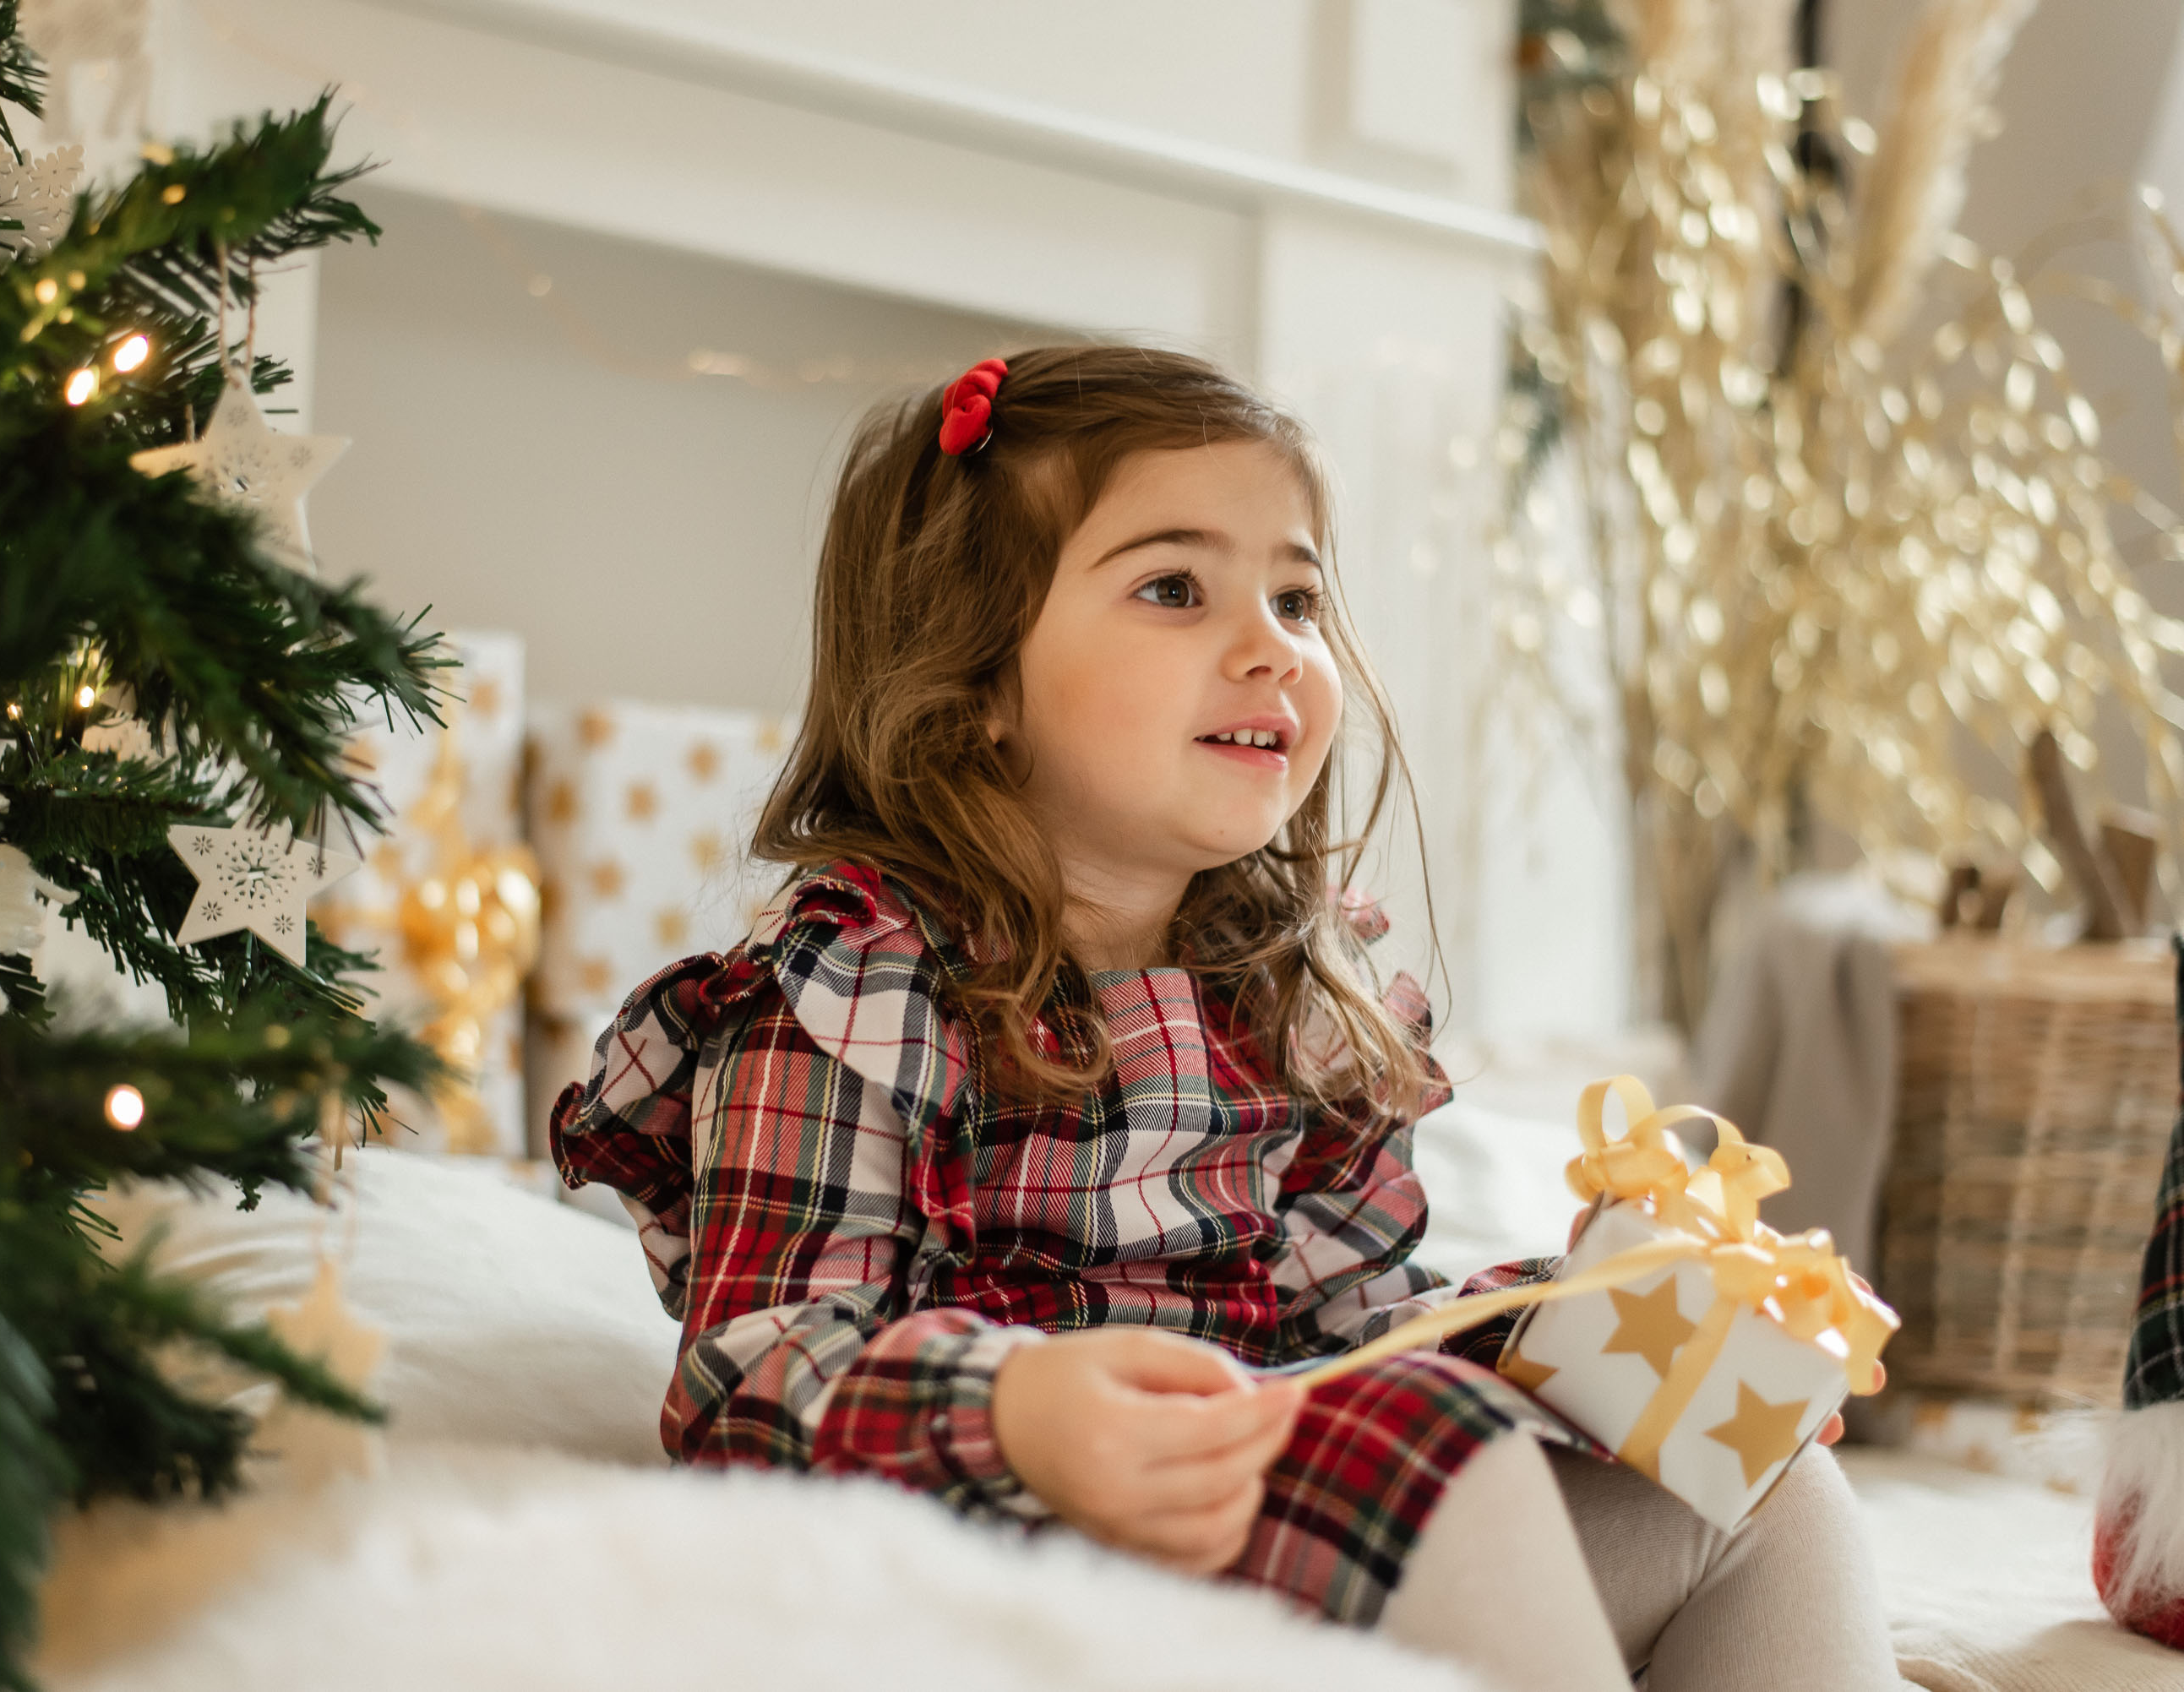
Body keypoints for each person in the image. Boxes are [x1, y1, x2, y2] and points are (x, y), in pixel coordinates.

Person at [550, 345, 1895, 1691]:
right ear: (977, 686)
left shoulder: (1289, 994)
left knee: (1756, 1483)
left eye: (1298, 596)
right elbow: (744, 1390)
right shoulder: (853, 989)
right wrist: (1017, 1412)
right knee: (1452, 1475)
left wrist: (1584, 1325)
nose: (1272, 647)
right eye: (1175, 588)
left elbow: (1351, 1336)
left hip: (1280, 1543)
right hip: (1009, 1574)